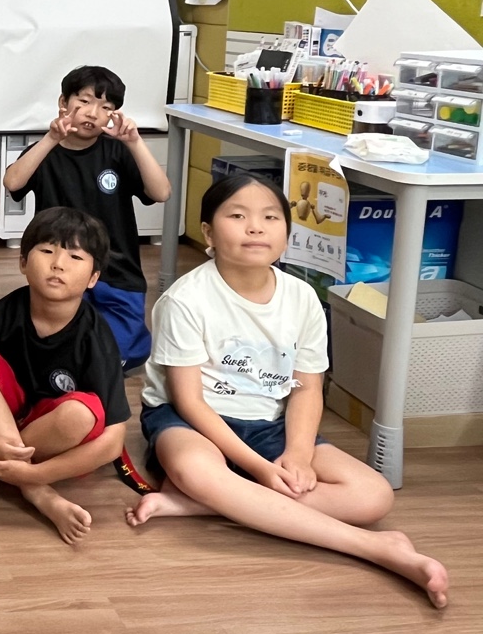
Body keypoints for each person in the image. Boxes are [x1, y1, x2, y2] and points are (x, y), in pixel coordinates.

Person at [127, 174, 449, 610]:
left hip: (269, 420)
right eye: (237, 216)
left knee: (374, 495)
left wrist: (297, 454)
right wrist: (260, 469)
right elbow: (189, 401)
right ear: (208, 232)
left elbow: (307, 387)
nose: (255, 227)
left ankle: (207, 503)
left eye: (270, 217)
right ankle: (374, 547)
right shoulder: (186, 300)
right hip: (190, 420)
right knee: (197, 471)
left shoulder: (303, 298)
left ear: (287, 233)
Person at [0, 207, 129, 544]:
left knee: (80, 413)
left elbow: (113, 442)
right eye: (46, 250)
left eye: (75, 256)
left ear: (93, 278)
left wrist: (36, 472)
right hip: (2, 420)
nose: (58, 264)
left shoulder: (96, 337)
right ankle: (38, 494)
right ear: (23, 262)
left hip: (55, 439)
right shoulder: (3, 312)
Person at [1, 65, 170, 371]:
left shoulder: (118, 152)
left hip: (116, 271)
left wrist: (135, 142)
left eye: (106, 107)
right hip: (60, 269)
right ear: (63, 103)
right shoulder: (44, 150)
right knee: (55, 353)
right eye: (84, 101)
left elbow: (161, 192)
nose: (93, 113)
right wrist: (51, 138)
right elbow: (12, 182)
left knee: (120, 356)